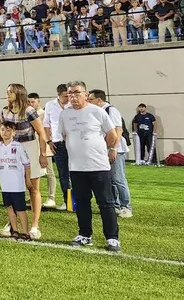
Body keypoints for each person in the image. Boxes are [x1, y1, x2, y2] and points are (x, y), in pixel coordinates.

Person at [59, 80, 122, 252]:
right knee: (82, 202)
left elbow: (112, 134)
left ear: (86, 95)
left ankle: (112, 238)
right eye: (70, 93)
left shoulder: (97, 112)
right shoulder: (65, 114)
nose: (73, 96)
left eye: (77, 92)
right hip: (77, 167)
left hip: (99, 166)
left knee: (106, 203)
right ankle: (85, 235)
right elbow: (65, 136)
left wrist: (109, 149)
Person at [0, 83, 49, 240]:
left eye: (11, 91)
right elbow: (2, 133)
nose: (8, 94)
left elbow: (41, 133)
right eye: (7, 91)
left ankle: (35, 225)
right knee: (13, 188)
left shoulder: (29, 111)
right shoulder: (5, 111)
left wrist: (42, 154)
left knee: (32, 188)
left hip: (29, 149)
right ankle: (13, 221)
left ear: (19, 93)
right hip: (11, 150)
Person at [89, 90, 132, 218]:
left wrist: (113, 149)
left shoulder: (111, 110)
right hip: (104, 149)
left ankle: (126, 206)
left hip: (115, 149)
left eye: (91, 99)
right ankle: (116, 205)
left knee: (119, 178)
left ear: (99, 100)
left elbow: (118, 130)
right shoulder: (97, 111)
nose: (89, 102)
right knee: (111, 179)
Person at [0, 121, 33, 240]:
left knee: (20, 208)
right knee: (10, 207)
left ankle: (26, 232)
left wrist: (28, 179)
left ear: (13, 132)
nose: (5, 132)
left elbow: (27, 164)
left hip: (17, 184)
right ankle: (15, 231)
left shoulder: (18, 146)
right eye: (2, 130)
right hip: (5, 184)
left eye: (8, 130)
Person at [42, 83, 71, 210]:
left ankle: (79, 201)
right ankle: (68, 201)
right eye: (65, 96)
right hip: (58, 143)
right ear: (58, 95)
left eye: (69, 95)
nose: (68, 98)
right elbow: (46, 124)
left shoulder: (73, 104)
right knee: (63, 174)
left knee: (77, 173)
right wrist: (49, 141)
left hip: (74, 143)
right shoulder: (50, 105)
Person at [28, 92, 56, 209]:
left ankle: (51, 197)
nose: (30, 104)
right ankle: (32, 195)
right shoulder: (28, 113)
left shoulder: (43, 114)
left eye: (33, 101)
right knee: (32, 173)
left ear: (38, 101)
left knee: (49, 172)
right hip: (33, 146)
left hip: (44, 145)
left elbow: (44, 131)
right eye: (29, 102)